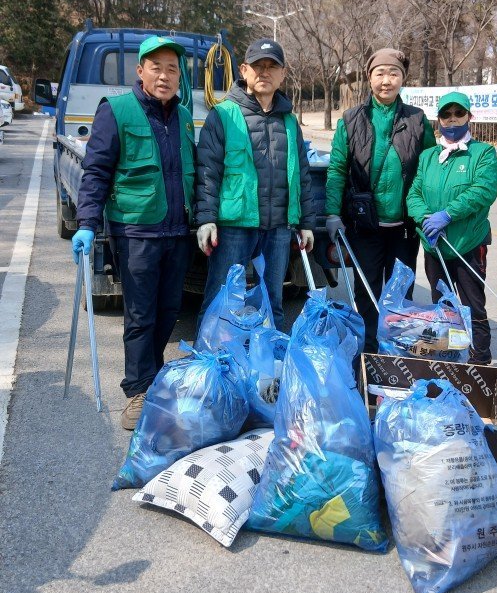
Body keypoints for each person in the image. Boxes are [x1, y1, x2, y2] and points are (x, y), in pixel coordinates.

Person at [71, 35, 195, 430]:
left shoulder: (183, 116)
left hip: (177, 232)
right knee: (140, 316)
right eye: (156, 68)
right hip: (136, 231)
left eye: (172, 69)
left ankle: (153, 379)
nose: (164, 76)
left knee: (169, 311)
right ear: (140, 71)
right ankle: (138, 391)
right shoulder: (117, 110)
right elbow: (96, 172)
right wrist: (87, 224)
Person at [195, 37, 315, 331]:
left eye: (272, 67)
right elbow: (208, 171)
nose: (264, 72)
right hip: (234, 226)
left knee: (272, 301)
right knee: (221, 299)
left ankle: (269, 356)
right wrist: (206, 219)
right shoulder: (223, 115)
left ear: (282, 74)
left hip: (278, 228)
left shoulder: (289, 121)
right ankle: (210, 355)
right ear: (244, 70)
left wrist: (306, 223)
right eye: (257, 66)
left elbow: (301, 173)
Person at [325, 47, 436, 352]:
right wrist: (332, 213)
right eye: (380, 73)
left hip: (404, 227)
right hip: (365, 225)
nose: (386, 80)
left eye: (394, 73)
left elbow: (429, 169)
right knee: (366, 293)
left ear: (403, 78)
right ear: (369, 77)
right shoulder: (351, 119)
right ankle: (368, 355)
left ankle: (397, 356)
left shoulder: (417, 119)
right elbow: (337, 169)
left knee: (401, 294)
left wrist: (429, 212)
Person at [407, 90, 497, 365]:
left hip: (467, 244)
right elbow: (414, 194)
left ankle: (479, 361)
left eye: (459, 113)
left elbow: (483, 190)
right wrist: (425, 219)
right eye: (446, 114)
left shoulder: (483, 153)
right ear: (439, 119)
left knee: (473, 305)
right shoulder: (428, 156)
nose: (452, 119)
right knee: (442, 305)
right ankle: (448, 358)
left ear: (469, 116)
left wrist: (448, 215)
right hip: (435, 247)